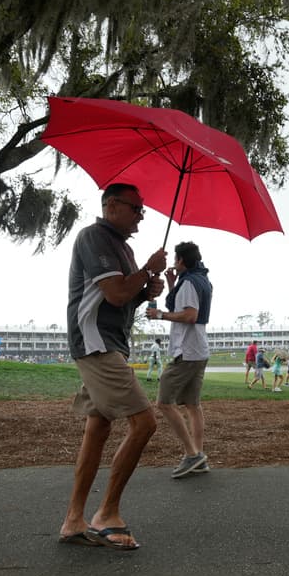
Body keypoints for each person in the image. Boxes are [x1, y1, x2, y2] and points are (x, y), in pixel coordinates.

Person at [59, 183, 168, 551]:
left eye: (143, 210)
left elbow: (125, 298)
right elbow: (115, 293)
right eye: (136, 208)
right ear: (111, 206)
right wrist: (145, 272)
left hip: (111, 342)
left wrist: (147, 291)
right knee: (144, 422)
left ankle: (74, 520)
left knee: (99, 426)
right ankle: (107, 513)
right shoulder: (94, 237)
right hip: (96, 343)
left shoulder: (122, 247)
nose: (141, 215)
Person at [146, 241, 213, 479]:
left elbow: (190, 315)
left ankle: (192, 454)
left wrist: (160, 315)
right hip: (199, 350)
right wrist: (173, 284)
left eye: (176, 259)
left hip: (186, 351)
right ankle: (199, 455)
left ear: (181, 260)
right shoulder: (202, 279)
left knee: (164, 402)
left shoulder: (189, 282)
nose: (174, 263)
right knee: (193, 406)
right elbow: (188, 307)